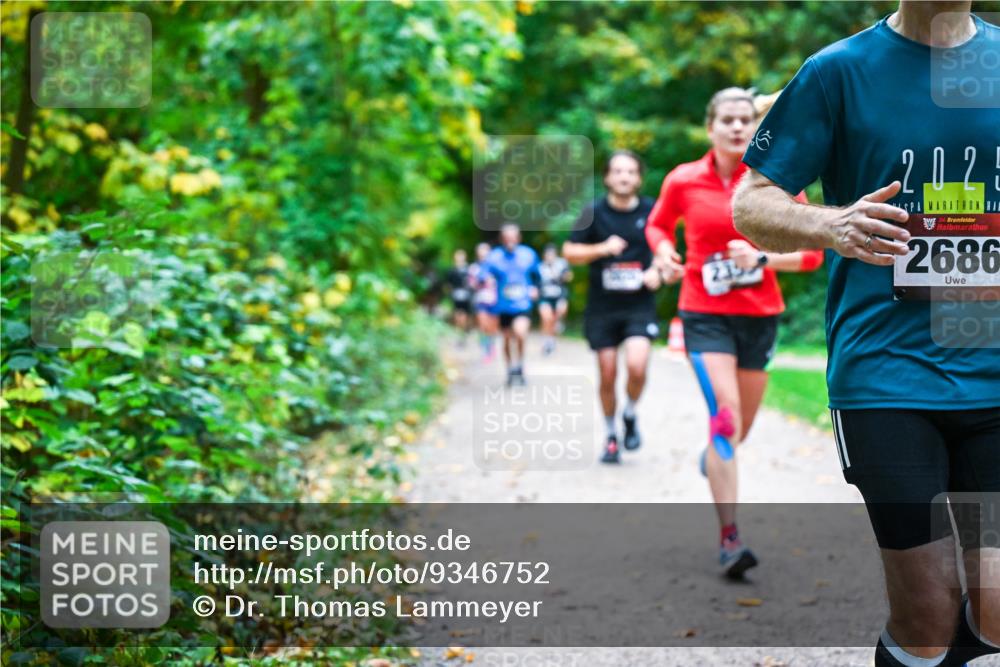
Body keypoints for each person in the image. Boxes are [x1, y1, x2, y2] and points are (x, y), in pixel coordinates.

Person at [732, 3, 1000, 665]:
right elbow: (750, 200)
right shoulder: (838, 72)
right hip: (887, 376)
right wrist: (831, 225)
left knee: (998, 606)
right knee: (927, 613)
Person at [646, 87, 824, 578]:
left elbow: (812, 253)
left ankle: (714, 459)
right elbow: (658, 226)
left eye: (746, 119)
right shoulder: (683, 180)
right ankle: (730, 538)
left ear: (757, 125)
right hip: (703, 314)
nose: (737, 127)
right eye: (727, 119)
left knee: (736, 429)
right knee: (723, 417)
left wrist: (762, 256)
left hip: (759, 316)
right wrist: (662, 252)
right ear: (710, 127)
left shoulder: (778, 181)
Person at [563, 150, 663, 464]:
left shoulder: (652, 211)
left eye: (630, 171)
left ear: (638, 178)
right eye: (618, 171)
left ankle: (630, 413)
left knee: (637, 365)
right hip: (602, 307)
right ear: (607, 177)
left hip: (639, 306)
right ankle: (610, 435)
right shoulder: (591, 212)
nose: (623, 177)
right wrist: (602, 248)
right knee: (607, 373)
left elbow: (665, 250)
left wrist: (657, 272)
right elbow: (569, 252)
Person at [485, 224, 540, 386]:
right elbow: (484, 275)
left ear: (519, 237)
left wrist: (535, 288)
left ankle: (520, 365)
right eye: (507, 238)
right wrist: (488, 283)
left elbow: (538, 276)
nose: (510, 241)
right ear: (502, 239)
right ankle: (510, 369)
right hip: (503, 306)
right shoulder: (494, 257)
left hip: (523, 304)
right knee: (507, 339)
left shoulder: (528, 254)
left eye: (513, 237)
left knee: (520, 333)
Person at [536, 244, 572, 356]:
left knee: (557, 317)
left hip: (559, 296)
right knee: (547, 318)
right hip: (545, 297)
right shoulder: (539, 267)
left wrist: (562, 276)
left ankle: (553, 337)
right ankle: (546, 341)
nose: (549, 257)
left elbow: (569, 277)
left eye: (552, 255)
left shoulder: (562, 264)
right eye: (547, 255)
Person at [469, 242, 500, 362]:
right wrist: (479, 282)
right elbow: (471, 284)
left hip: (494, 300)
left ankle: (491, 347)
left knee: (492, 327)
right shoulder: (474, 268)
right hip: (480, 300)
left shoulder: (496, 267)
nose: (483, 253)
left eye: (486, 251)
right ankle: (485, 348)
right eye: (481, 251)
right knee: (483, 324)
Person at [445, 249, 474, 344]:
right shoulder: (452, 270)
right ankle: (460, 333)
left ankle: (465, 333)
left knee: (466, 315)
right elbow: (448, 284)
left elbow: (472, 283)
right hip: (456, 296)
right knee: (458, 315)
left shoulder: (469, 269)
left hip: (467, 296)